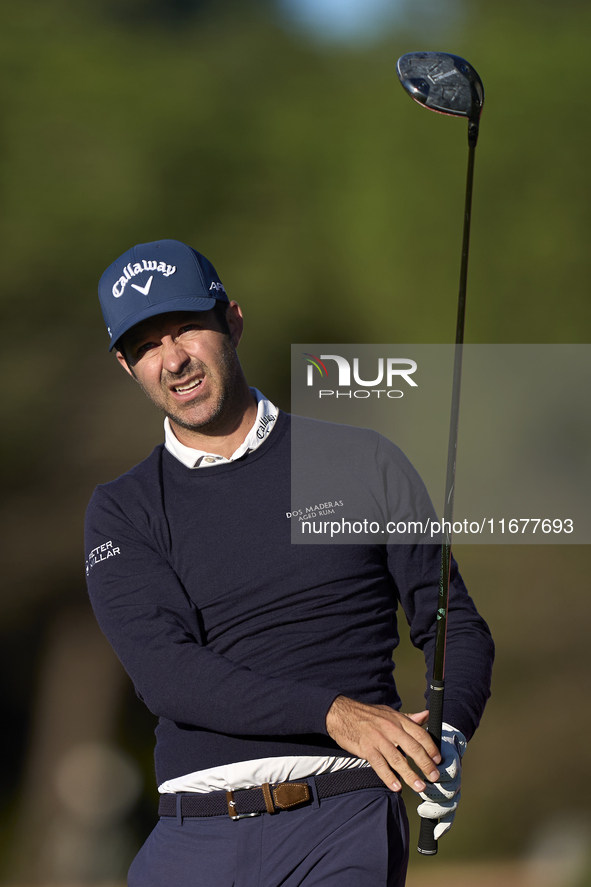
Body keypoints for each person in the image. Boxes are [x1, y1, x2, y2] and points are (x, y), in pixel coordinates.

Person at [85, 239, 494, 887]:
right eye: (146, 345)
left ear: (233, 321)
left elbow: (452, 623)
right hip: (191, 830)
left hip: (341, 815)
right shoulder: (123, 510)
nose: (173, 360)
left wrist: (449, 732)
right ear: (126, 365)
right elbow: (167, 672)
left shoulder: (362, 460)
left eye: (186, 327)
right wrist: (334, 711)